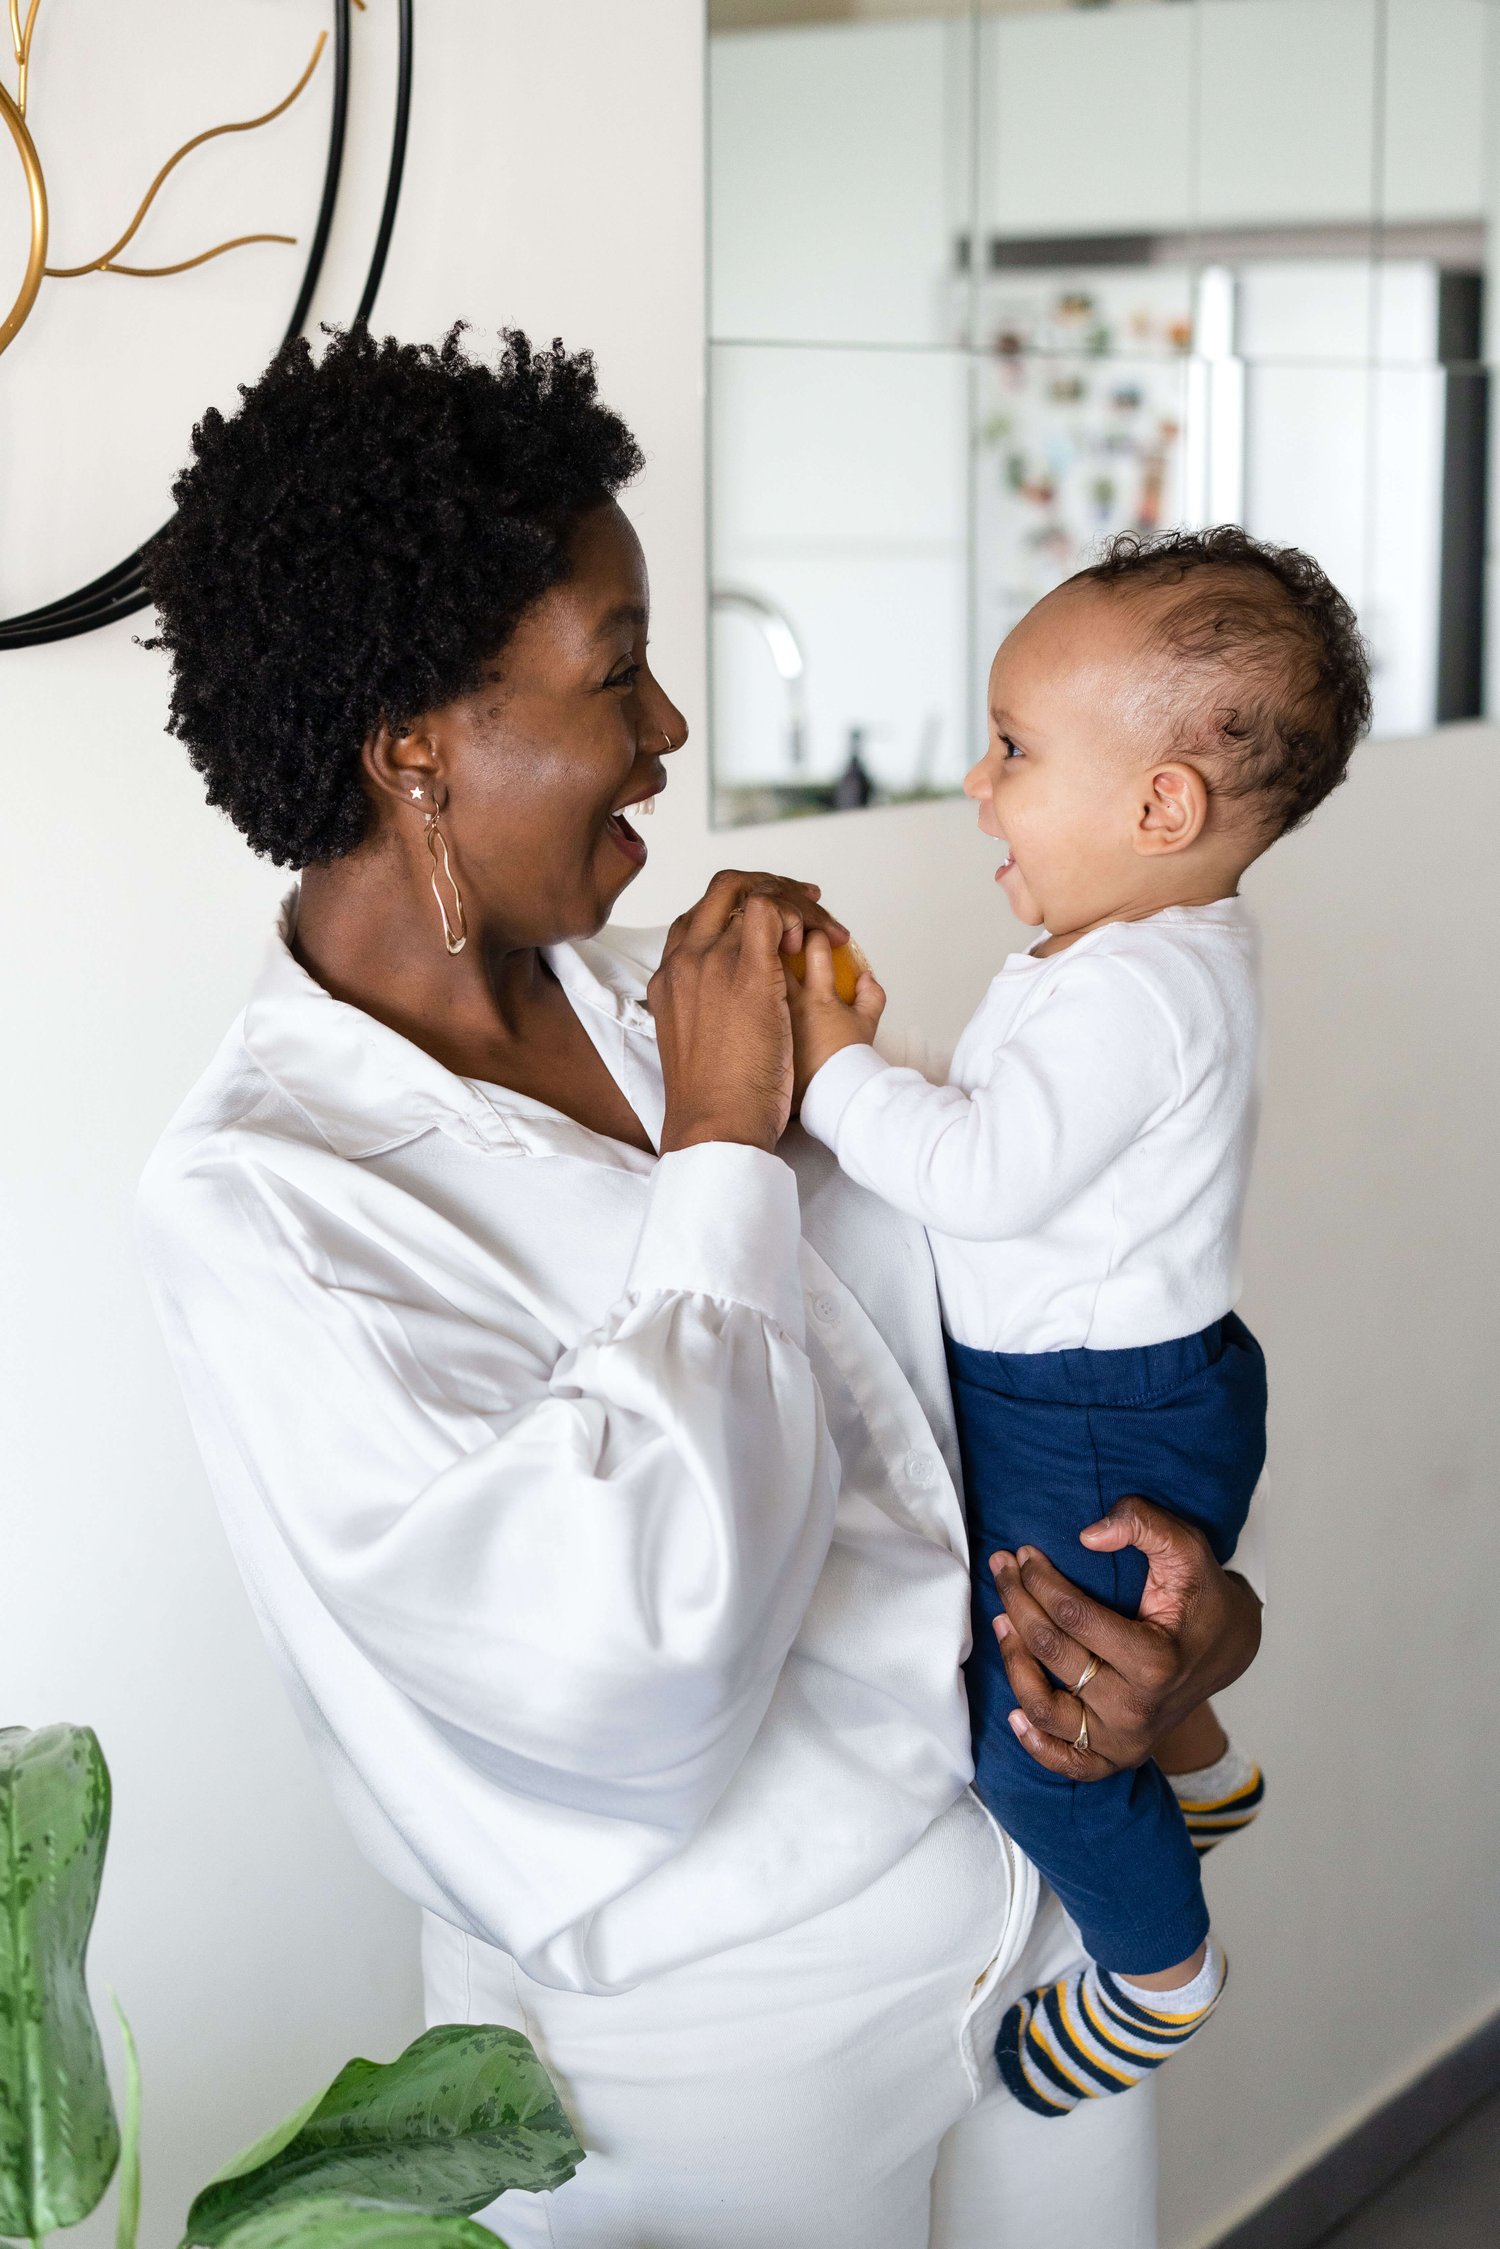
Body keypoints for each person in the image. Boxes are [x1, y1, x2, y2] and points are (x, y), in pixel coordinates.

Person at [137, 324, 1265, 2249]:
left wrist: (1188, 1646)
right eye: (615, 670)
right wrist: (728, 1144)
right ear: (416, 742)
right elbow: (620, 1664)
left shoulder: (673, 993)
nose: (668, 732)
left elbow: (991, 1379)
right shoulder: (270, 1203)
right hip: (716, 2063)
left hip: (1034, 1898)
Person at [786, 528, 1370, 2118]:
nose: (980, 781)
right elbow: (1009, 1136)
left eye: (1016, 748)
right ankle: (1206, 1771)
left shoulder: (1137, 987)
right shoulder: (1136, 953)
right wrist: (872, 1048)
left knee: (1029, 1722)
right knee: (1093, 1651)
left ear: (1161, 807)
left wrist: (835, 1065)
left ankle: (1163, 1970)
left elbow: (979, 1176)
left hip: (1087, 1413)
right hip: (1120, 1389)